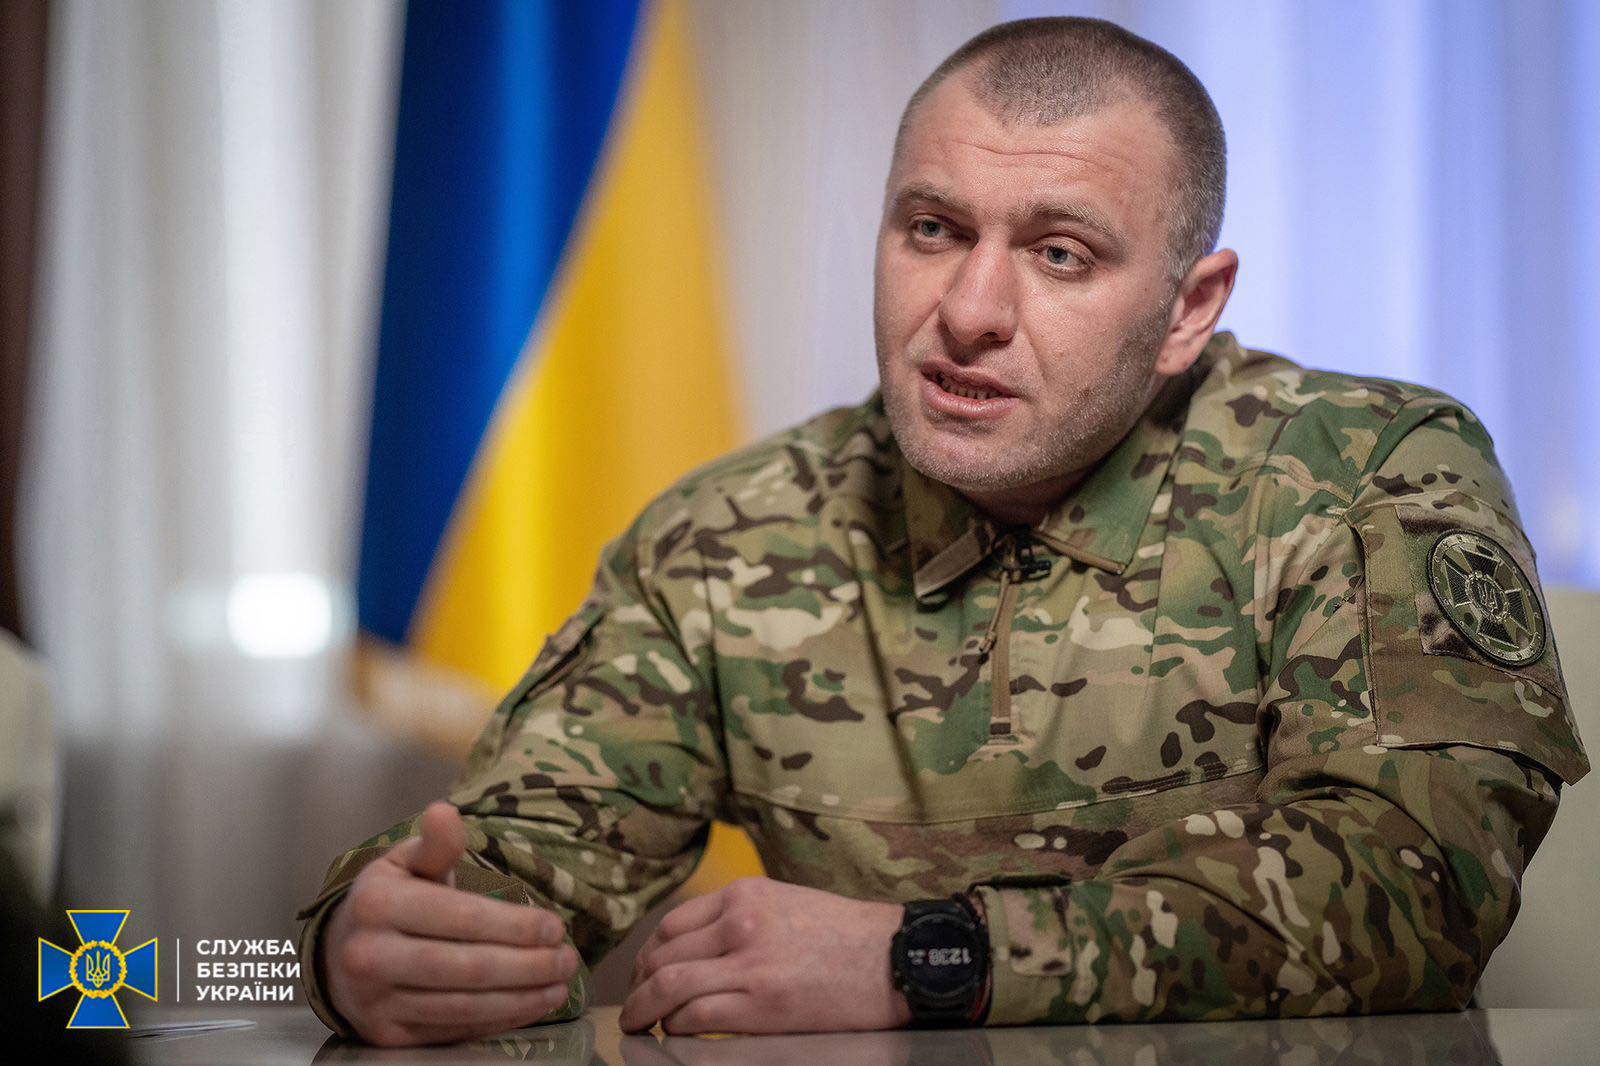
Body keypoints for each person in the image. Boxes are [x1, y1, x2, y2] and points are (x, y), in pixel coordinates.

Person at [297, 16, 1588, 1046]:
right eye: (933, 229)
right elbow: (521, 860)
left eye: (1061, 253)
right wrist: (361, 944)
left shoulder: (1364, 474)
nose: (968, 311)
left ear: (1190, 308)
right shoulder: (729, 536)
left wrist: (929, 958)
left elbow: (1413, 886)